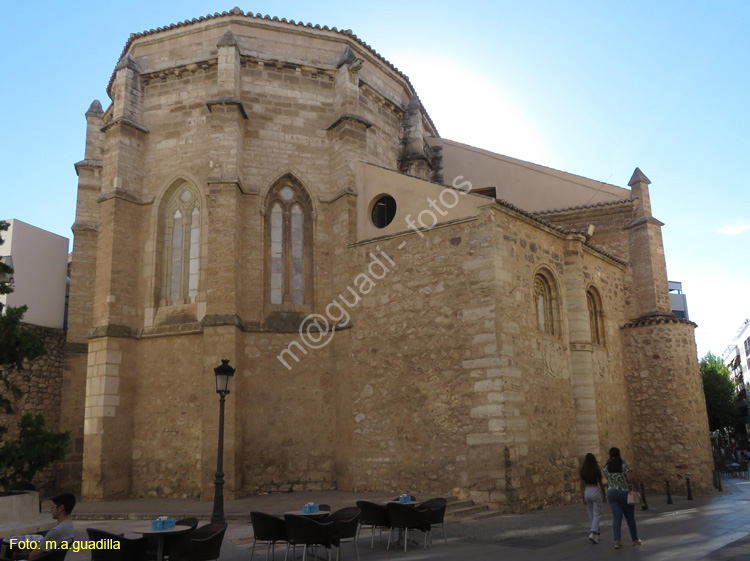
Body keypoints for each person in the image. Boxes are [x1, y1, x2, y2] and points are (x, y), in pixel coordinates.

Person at [7, 493, 76, 560]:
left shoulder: (57, 531)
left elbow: (31, 557)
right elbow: (45, 541)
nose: (51, 510)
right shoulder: (68, 525)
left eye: (52, 507)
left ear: (61, 508)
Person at [603, 447, 642, 549]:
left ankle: (617, 541)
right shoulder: (624, 466)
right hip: (624, 492)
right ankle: (634, 539)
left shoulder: (606, 467)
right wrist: (638, 488)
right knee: (629, 517)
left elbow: (608, 479)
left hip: (611, 493)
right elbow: (631, 478)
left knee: (616, 517)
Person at [579, 452, 607, 544]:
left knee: (591, 514)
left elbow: (581, 484)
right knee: (597, 514)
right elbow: (601, 484)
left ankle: (597, 534)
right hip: (595, 490)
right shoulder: (596, 470)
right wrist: (604, 494)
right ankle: (593, 533)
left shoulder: (583, 470)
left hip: (587, 491)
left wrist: (582, 496)